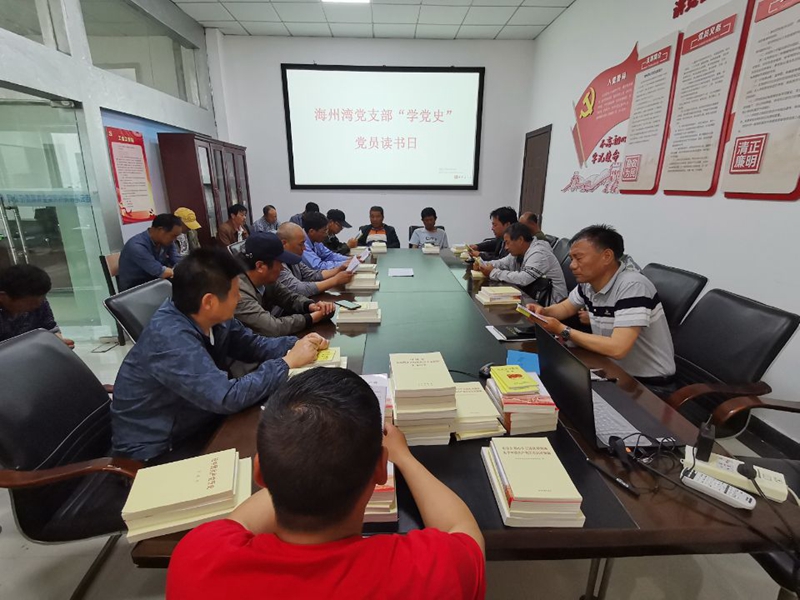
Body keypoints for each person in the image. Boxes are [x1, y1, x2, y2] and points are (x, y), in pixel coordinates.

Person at [166, 368, 485, 600]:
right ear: (379, 469)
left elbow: (243, 520)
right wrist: (403, 457)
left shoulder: (195, 561)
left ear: (260, 473)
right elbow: (461, 528)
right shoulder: (430, 575)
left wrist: (293, 460)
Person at [111, 248, 327, 462]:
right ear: (209, 302)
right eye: (235, 294)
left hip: (201, 419)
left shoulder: (211, 317)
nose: (239, 298)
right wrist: (287, 362)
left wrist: (298, 343)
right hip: (159, 450)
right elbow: (225, 397)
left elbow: (253, 345)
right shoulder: (170, 338)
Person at [524, 225, 675, 384]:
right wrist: (543, 312)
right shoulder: (588, 283)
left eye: (579, 258)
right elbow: (566, 307)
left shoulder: (633, 286)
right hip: (610, 367)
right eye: (572, 258)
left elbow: (617, 348)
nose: (572, 265)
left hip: (646, 382)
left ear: (607, 256)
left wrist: (562, 330)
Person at [235, 233, 335, 338]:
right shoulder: (239, 292)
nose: (282, 268)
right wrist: (311, 318)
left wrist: (311, 306)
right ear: (260, 266)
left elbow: (288, 297)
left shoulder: (264, 280)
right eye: (280, 263)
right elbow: (272, 328)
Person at [474, 223, 567, 304]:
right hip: (531, 298)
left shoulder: (539, 253)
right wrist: (483, 264)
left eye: (507, 243)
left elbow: (523, 279)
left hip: (551, 305)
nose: (506, 247)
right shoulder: (518, 252)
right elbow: (501, 263)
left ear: (520, 240)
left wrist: (493, 272)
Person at [0, 264, 73, 348]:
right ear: (3, 297)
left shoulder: (39, 303)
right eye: (30, 302)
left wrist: (59, 344)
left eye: (42, 298)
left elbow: (50, 329)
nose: (37, 305)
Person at [276, 223, 354, 296]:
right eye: (301, 244)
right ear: (284, 243)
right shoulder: (276, 264)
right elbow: (298, 289)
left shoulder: (294, 258)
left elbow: (311, 274)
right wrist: (335, 280)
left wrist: (338, 269)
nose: (304, 248)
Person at [118, 213, 183, 291]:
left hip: (155, 282)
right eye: (173, 236)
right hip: (135, 290)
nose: (174, 239)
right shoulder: (137, 246)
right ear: (160, 230)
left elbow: (177, 260)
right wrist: (176, 271)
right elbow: (160, 272)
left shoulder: (167, 241)